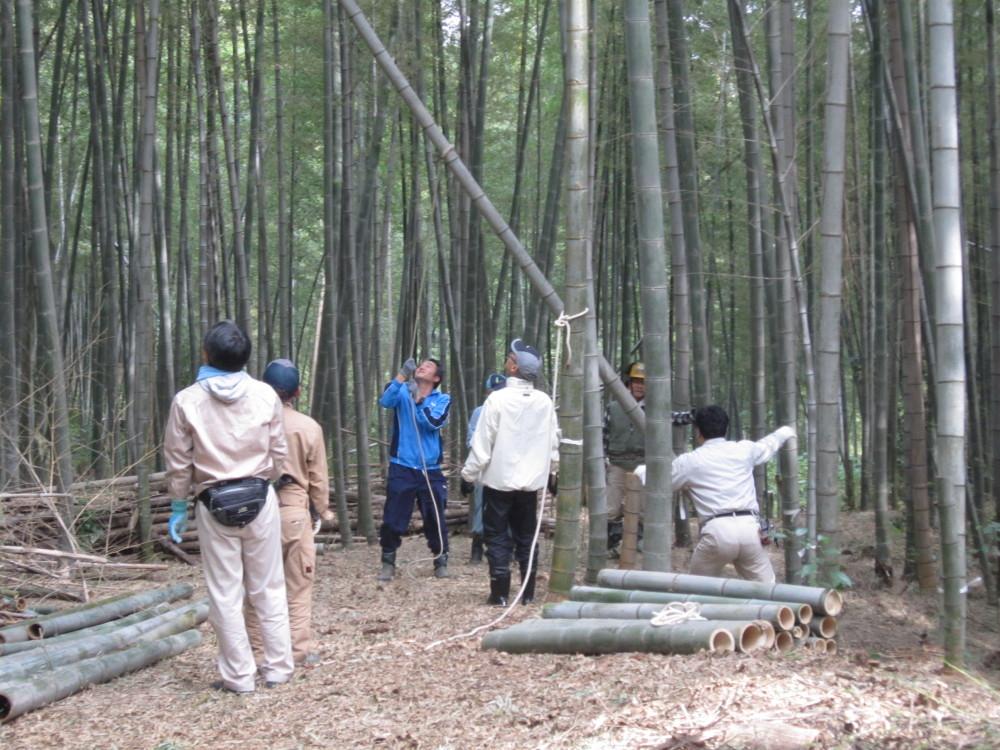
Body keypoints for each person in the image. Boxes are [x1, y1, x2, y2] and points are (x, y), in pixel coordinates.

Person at [164, 321, 293, 693]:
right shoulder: (265, 394)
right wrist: (264, 480)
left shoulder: (187, 400)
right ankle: (279, 668)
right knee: (269, 586)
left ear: (207, 354)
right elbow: (279, 452)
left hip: (212, 500)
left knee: (225, 592)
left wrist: (178, 503)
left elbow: (177, 459)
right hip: (259, 495)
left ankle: (238, 677)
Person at [245, 358, 333, 668]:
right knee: (297, 587)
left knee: (256, 590)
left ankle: (256, 655)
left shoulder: (248, 420)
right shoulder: (308, 427)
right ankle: (295, 652)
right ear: (296, 392)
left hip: (254, 510)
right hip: (294, 513)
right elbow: (318, 479)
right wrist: (322, 510)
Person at [461, 339, 560, 606]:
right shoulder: (544, 401)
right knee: (527, 536)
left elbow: (483, 444)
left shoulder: (498, 399)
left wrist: (468, 476)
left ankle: (500, 593)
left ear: (514, 367)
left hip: (499, 482)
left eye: (508, 358)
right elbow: (553, 442)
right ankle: (527, 594)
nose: (506, 361)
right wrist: (553, 472)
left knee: (497, 536)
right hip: (530, 484)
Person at [670, 404, 795, 583]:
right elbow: (768, 444)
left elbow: (659, 480)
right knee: (767, 590)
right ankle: (776, 610)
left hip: (717, 532)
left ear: (698, 431)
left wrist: (639, 470)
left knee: (697, 589)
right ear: (726, 428)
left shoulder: (689, 461)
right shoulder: (743, 449)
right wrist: (786, 431)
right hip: (750, 530)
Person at [377, 357, 452, 581]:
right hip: (402, 466)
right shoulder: (402, 392)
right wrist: (401, 375)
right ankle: (388, 562)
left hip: (430, 469)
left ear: (436, 378)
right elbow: (385, 400)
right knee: (393, 517)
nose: (421, 367)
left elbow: (433, 422)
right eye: (420, 364)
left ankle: (441, 560)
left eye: (427, 366)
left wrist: (418, 401)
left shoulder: (443, 399)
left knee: (435, 517)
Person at [460, 373, 507, 563]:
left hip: (505, 468)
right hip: (483, 466)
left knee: (506, 507)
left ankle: (505, 548)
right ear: (488, 392)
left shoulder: (513, 410)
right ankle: (477, 547)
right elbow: (472, 439)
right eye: (493, 390)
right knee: (481, 506)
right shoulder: (480, 412)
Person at [604, 361, 645, 556]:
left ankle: (638, 543)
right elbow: (604, 434)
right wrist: (603, 460)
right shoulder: (613, 407)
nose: (639, 385)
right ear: (628, 382)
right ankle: (612, 544)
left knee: (642, 508)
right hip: (617, 463)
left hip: (643, 464)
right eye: (636, 381)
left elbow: (672, 420)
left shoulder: (655, 409)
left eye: (643, 382)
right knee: (611, 508)